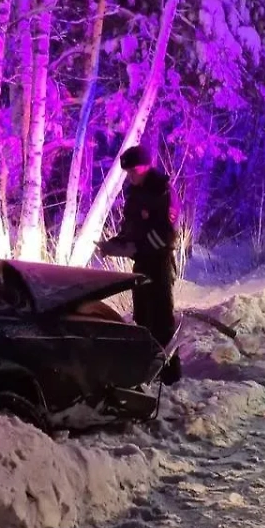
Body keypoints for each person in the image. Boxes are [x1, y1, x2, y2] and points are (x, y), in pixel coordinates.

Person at [98, 145, 182, 385]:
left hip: (160, 263)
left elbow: (167, 234)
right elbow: (131, 228)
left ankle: (171, 377)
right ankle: (148, 372)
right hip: (142, 264)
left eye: (133, 170)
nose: (130, 175)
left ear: (146, 166)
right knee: (143, 317)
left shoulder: (163, 192)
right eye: (127, 172)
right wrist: (115, 244)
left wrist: (138, 248)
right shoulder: (135, 194)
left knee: (162, 320)